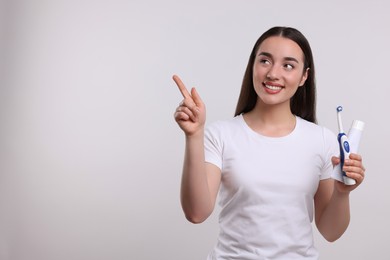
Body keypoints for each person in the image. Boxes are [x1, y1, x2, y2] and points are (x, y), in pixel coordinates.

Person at [172, 26, 365, 259]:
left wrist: (342, 193)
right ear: (253, 66)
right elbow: (196, 213)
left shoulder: (322, 140)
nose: (273, 73)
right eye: (265, 61)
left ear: (304, 76)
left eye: (288, 65)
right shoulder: (220, 134)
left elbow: (331, 232)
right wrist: (194, 135)